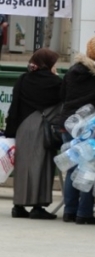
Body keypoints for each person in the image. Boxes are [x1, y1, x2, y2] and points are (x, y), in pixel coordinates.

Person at [59, 37, 95, 225]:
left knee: (72, 164)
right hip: (92, 125)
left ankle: (69, 210)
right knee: (89, 168)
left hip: (69, 122)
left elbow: (63, 95)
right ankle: (84, 213)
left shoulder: (73, 71)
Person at [6, 48, 63, 220]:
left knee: (23, 167)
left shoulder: (23, 79)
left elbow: (14, 106)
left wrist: (10, 131)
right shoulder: (55, 83)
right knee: (42, 165)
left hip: (23, 128)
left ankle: (19, 206)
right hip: (42, 128)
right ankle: (38, 206)